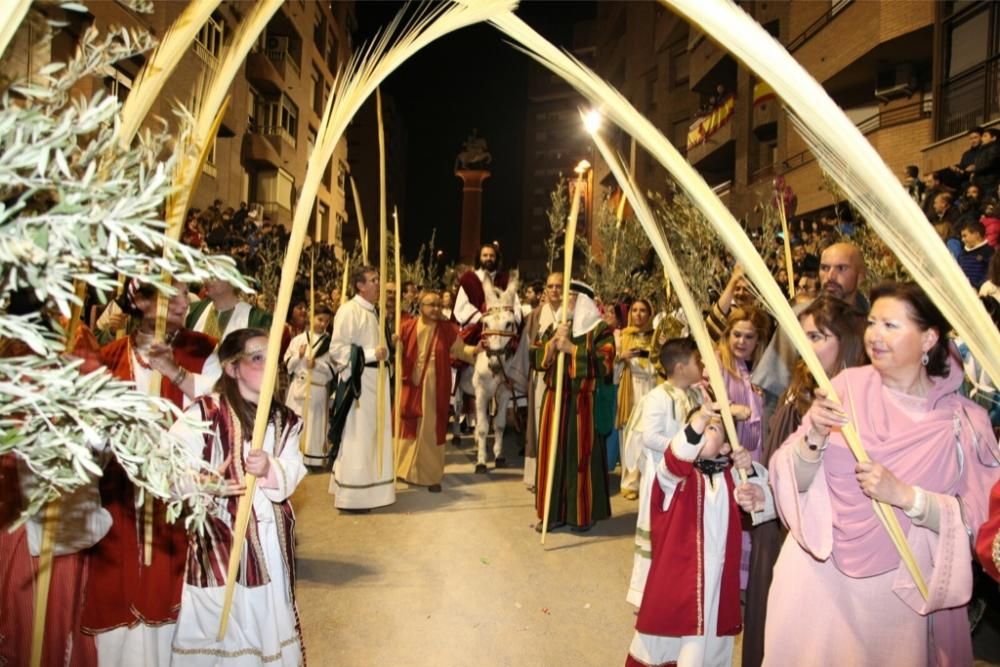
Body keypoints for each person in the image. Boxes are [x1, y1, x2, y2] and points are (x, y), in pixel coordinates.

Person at [764, 282, 1000, 665]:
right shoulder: (843, 389)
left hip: (900, 602)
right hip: (817, 587)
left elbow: (981, 522)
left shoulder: (963, 423)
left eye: (890, 325)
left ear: (928, 338)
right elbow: (793, 482)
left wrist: (910, 498)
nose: (874, 335)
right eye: (872, 323)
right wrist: (814, 436)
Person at [83, 281, 216, 665]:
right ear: (140, 301)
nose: (182, 301)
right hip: (120, 498)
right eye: (168, 294)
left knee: (173, 592)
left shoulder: (203, 349)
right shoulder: (107, 359)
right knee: (118, 594)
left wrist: (176, 375)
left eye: (184, 292)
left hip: (180, 500)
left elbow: (223, 411)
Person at [741, 296, 867, 667]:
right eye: (804, 335)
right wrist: (762, 486)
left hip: (819, 534)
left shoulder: (854, 400)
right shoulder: (800, 383)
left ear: (846, 340)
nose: (805, 345)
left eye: (817, 336)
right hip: (777, 520)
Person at [168, 329, 305, 664]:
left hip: (267, 544)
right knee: (216, 622)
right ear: (231, 368)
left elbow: (293, 469)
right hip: (218, 541)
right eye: (257, 357)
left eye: (272, 356)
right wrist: (202, 481)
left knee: (265, 617)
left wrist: (270, 467)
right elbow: (167, 465)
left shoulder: (284, 420)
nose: (270, 364)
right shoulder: (205, 413)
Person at [625, 401, 773, 667]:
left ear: (727, 447)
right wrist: (703, 416)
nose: (703, 429)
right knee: (671, 647)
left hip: (716, 588)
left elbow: (760, 502)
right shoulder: (674, 477)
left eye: (713, 427)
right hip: (678, 585)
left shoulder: (732, 477)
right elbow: (676, 458)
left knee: (707, 650)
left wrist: (748, 468)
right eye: (697, 426)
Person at [623, 337, 703, 607]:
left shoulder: (696, 394)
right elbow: (650, 437)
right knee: (659, 533)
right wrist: (688, 446)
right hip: (661, 477)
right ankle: (648, 593)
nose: (701, 365)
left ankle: (674, 591)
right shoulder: (657, 397)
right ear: (681, 367)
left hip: (686, 476)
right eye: (697, 361)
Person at [532, 280, 614, 532]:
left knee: (580, 460)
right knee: (551, 458)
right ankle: (551, 513)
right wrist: (552, 346)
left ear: (584, 302)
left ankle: (582, 514)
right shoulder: (556, 327)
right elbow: (536, 358)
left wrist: (571, 349)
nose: (565, 301)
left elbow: (605, 363)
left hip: (582, 404)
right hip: (554, 402)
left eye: (572, 297)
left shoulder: (599, 330)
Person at [395, 291, 480, 492]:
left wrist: (475, 351)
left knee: (431, 430)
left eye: (437, 305)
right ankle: (404, 470)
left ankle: (431, 476)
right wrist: (394, 342)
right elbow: (395, 353)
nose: (434, 309)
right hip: (411, 384)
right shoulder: (407, 327)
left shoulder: (447, 329)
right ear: (420, 305)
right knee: (409, 425)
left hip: (435, 386)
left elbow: (461, 351)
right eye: (430, 305)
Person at [327, 265, 395, 511]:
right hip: (361, 383)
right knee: (359, 436)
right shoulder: (349, 311)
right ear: (360, 285)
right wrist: (369, 354)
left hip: (378, 381)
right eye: (373, 280)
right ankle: (353, 496)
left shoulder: (374, 312)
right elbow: (337, 350)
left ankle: (374, 490)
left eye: (378, 279)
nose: (378, 284)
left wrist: (389, 348)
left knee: (375, 436)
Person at [513, 272, 561, 492]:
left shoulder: (573, 314)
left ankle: (558, 473)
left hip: (566, 378)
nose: (554, 290)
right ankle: (537, 475)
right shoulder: (535, 316)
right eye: (550, 286)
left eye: (558, 286)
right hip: (541, 378)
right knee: (539, 423)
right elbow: (526, 348)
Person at [615, 299, 657, 500]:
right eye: (635, 310)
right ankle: (630, 482)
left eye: (643, 311)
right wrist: (620, 357)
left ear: (650, 314)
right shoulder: (622, 336)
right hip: (631, 389)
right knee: (630, 436)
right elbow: (613, 368)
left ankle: (649, 480)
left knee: (650, 435)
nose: (638, 314)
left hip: (652, 387)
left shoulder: (658, 337)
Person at [284, 305, 335, 469]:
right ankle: (292, 457)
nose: (323, 324)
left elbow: (333, 371)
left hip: (317, 389)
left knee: (314, 426)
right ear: (311, 317)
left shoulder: (330, 344)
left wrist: (317, 365)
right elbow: (288, 366)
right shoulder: (297, 340)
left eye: (326, 321)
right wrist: (298, 357)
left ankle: (313, 460)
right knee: (296, 423)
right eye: (320, 319)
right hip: (298, 387)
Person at [958, 220, 994, 290]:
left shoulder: (989, 252)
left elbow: (991, 273)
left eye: (965, 236)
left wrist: (977, 287)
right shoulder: (962, 254)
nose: (962, 239)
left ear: (976, 234)